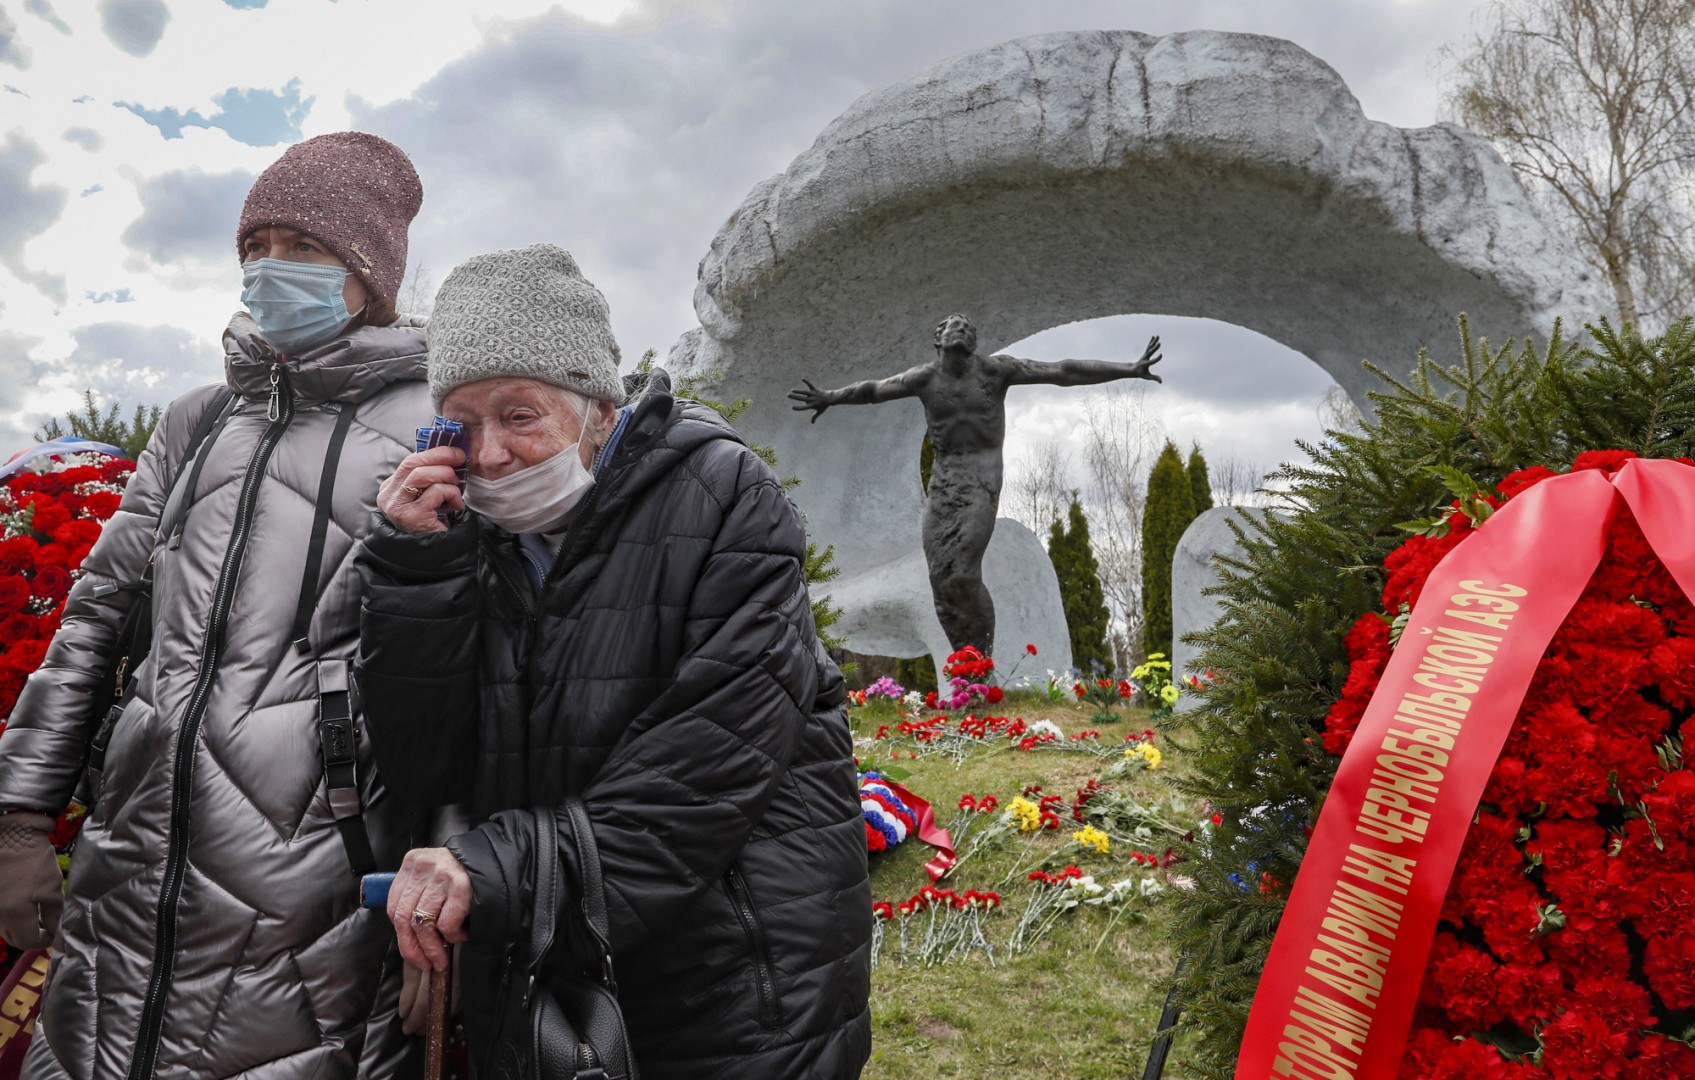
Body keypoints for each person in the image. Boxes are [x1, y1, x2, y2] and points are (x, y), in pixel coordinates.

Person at [355, 243, 872, 1079]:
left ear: (598, 409)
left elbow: (709, 763)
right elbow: (422, 766)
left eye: (520, 415)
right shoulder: (462, 536)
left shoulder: (722, 493)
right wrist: (416, 573)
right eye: (462, 421)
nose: (486, 456)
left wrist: (500, 870)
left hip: (732, 976)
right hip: (534, 971)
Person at [0, 132, 432, 1079]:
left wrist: (448, 890)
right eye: (256, 248)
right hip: (127, 867)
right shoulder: (198, 421)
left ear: (370, 274)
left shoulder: (433, 425)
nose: (272, 270)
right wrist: (21, 815)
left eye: (306, 249)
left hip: (311, 887)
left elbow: (464, 677)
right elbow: (94, 616)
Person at [787, 314, 1164, 653]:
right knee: (940, 580)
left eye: (969, 327)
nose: (963, 328)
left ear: (975, 343)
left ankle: (981, 660)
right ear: (939, 338)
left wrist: (1129, 369)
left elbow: (1061, 370)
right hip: (943, 486)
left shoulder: (995, 371)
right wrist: (830, 397)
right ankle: (965, 664)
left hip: (981, 483)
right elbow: (872, 390)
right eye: (955, 324)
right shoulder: (924, 378)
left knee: (964, 573)